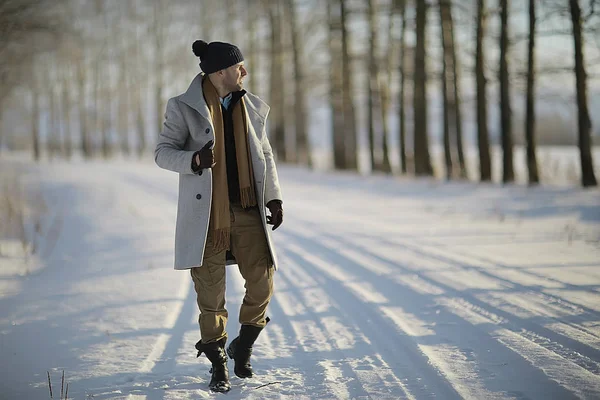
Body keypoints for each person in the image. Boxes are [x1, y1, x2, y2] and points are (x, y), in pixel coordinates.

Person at [154, 39, 283, 393]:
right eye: (239, 67)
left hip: (248, 210)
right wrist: (194, 160)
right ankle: (218, 364)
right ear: (220, 71)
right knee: (210, 297)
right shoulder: (183, 107)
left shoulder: (252, 106)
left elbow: (265, 155)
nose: (245, 72)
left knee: (262, 281)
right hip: (207, 217)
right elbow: (163, 153)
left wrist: (273, 198)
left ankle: (243, 344)